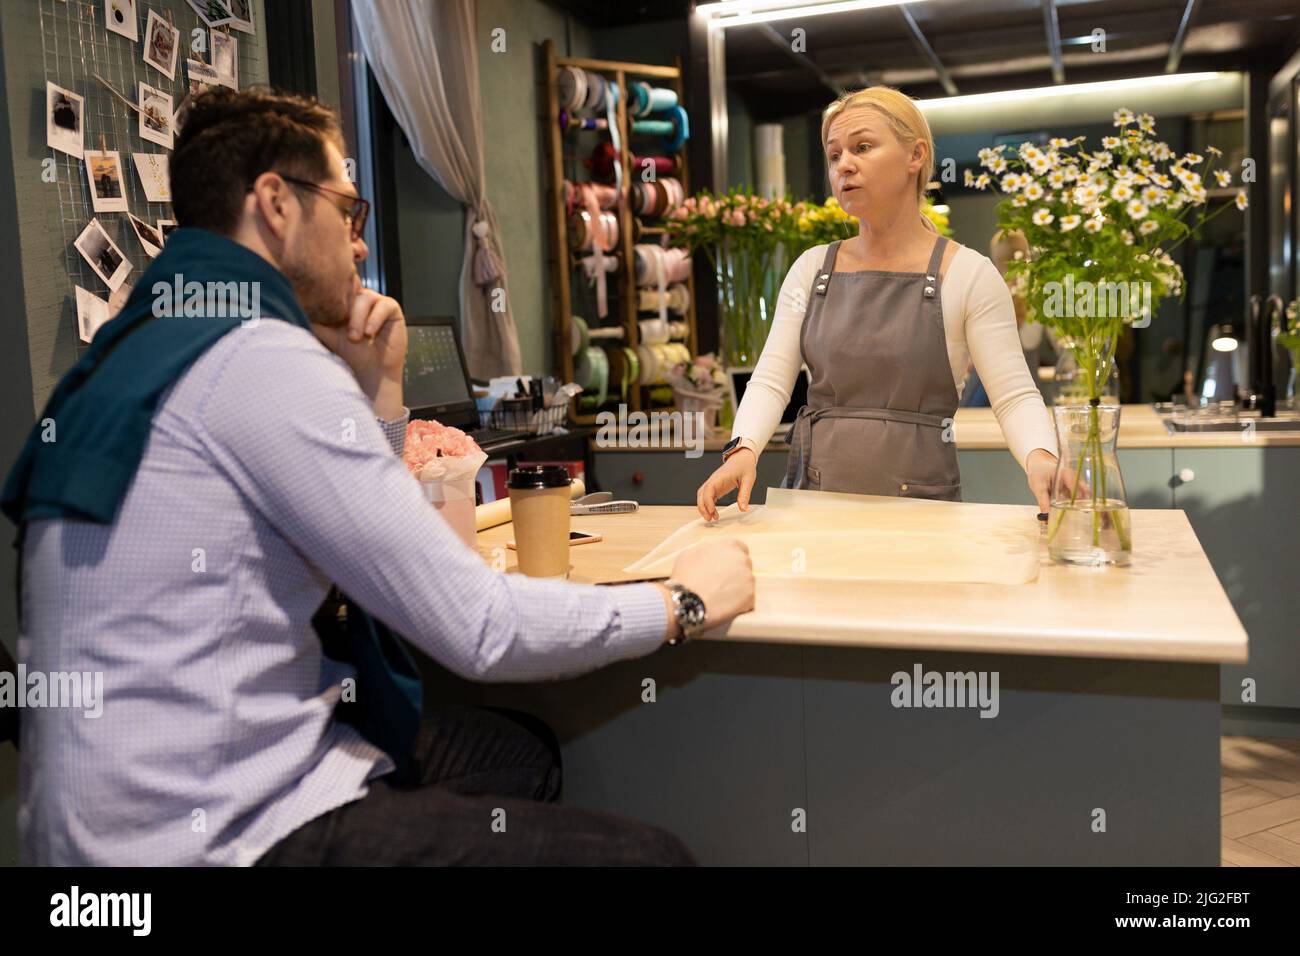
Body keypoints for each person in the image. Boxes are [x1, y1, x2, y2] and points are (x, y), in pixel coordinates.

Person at [5, 87, 755, 866]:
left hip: (90, 836)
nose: (359, 245)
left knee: (517, 752)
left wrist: (373, 392)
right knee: (653, 859)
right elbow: (478, 628)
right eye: (347, 210)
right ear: (276, 205)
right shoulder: (260, 359)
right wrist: (682, 602)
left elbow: (365, 537)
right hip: (216, 836)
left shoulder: (148, 341)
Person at [697, 87, 1058, 521]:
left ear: (916, 156)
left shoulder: (969, 275)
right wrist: (743, 448)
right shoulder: (811, 269)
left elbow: (1014, 395)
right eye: (834, 155)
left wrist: (1042, 457)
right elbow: (772, 379)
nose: (844, 164)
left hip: (924, 519)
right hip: (815, 511)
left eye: (863, 147)